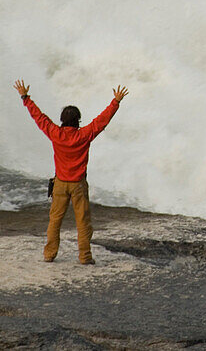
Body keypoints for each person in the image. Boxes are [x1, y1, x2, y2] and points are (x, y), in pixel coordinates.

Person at [14, 79, 128, 264]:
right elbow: (101, 121)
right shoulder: (84, 135)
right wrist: (115, 102)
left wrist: (25, 98)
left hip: (59, 184)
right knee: (83, 222)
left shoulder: (55, 133)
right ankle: (85, 256)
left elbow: (39, 117)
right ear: (78, 120)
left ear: (62, 120)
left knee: (55, 220)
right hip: (78, 185)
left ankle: (49, 254)